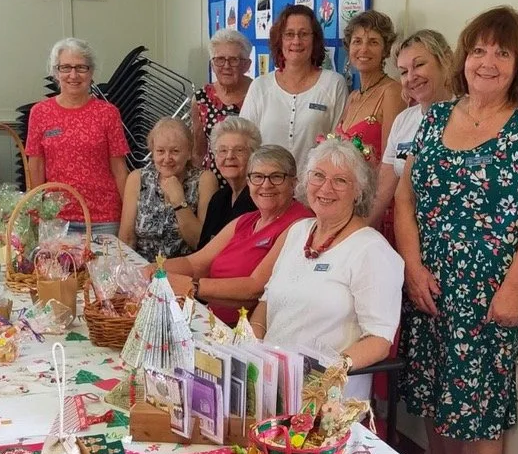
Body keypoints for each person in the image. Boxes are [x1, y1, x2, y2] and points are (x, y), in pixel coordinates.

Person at [395, 5, 518, 454]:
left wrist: (514, 289)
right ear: (463, 58)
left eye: (502, 53)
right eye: (479, 50)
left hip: (491, 293)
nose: (488, 62)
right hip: (431, 286)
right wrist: (413, 267)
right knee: (438, 393)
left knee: (478, 410)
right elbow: (404, 199)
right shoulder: (437, 116)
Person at [250, 138, 404, 397]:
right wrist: (252, 349)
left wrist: (325, 375)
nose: (326, 187)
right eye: (318, 176)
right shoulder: (299, 231)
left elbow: (379, 340)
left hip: (326, 396)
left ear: (359, 191)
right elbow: (267, 301)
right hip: (271, 382)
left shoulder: (372, 251)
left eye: (340, 180)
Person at [164, 146, 312, 324]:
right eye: (257, 177)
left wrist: (193, 286)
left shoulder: (300, 224)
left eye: (276, 177)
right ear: (248, 182)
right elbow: (195, 263)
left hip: (246, 331)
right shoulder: (246, 220)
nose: (266, 185)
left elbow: (256, 288)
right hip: (213, 322)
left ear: (293, 183)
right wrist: (155, 270)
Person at [26, 38, 129, 235]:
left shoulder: (108, 113)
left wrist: (129, 219)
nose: (73, 75)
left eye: (81, 67)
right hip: (56, 219)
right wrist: (35, 212)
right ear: (56, 72)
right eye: (65, 67)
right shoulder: (40, 113)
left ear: (91, 72)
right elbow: (36, 166)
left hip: (104, 218)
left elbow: (119, 169)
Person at [239, 5, 347, 172]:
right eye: (289, 34)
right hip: (267, 183)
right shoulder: (260, 86)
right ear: (280, 40)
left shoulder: (334, 84)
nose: (296, 41)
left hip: (315, 184)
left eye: (304, 34)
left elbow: (339, 145)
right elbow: (244, 142)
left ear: (315, 40)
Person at [369, 30, 453, 231]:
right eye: (404, 72)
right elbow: (382, 193)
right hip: (407, 233)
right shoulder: (404, 120)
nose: (411, 77)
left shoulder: (469, 116)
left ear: (446, 61)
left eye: (419, 65)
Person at [119, 118, 216, 261]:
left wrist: (178, 200)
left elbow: (199, 242)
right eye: (160, 151)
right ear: (152, 151)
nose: (167, 158)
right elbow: (127, 239)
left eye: (175, 151)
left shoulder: (204, 180)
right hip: (143, 268)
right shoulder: (137, 178)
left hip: (184, 268)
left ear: (189, 152)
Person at [337, 10, 406, 158]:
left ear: (385, 50)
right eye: (357, 41)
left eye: (373, 42)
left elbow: (389, 160)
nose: (364, 49)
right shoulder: (353, 96)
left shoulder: (392, 92)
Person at [192, 29, 252, 174]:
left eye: (233, 60)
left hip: (250, 179)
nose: (226, 66)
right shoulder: (201, 98)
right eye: (219, 59)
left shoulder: (257, 93)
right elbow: (198, 151)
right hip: (212, 180)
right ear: (212, 64)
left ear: (246, 65)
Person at [198, 116, 261, 247]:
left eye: (239, 150)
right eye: (223, 150)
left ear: (253, 156)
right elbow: (203, 248)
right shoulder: (218, 199)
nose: (229, 156)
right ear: (215, 157)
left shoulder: (261, 198)